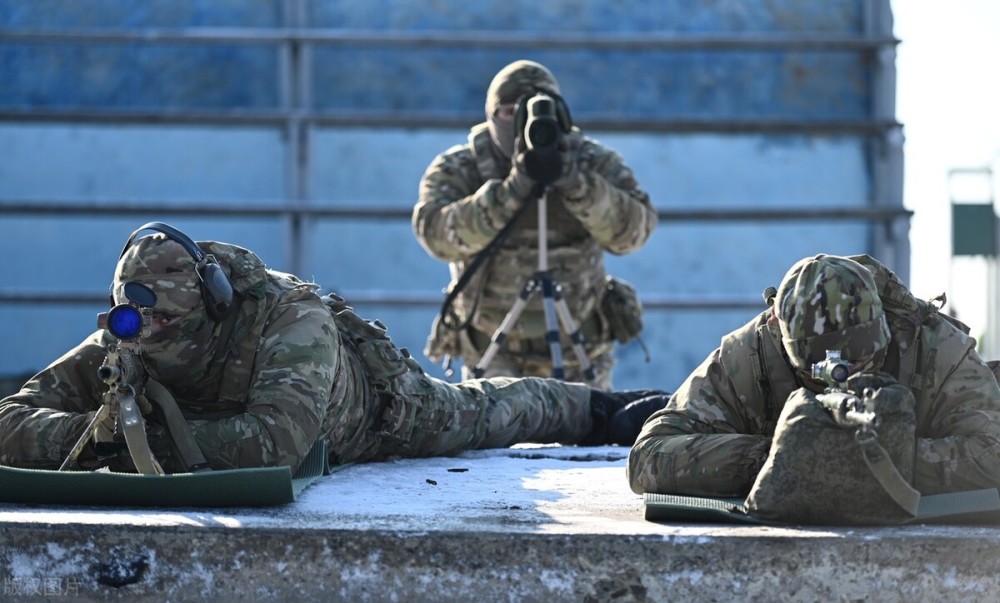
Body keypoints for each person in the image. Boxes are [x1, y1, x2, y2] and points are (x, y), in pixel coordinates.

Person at [0, 223, 668, 474]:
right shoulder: (132, 334)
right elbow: (9, 420)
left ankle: (598, 407)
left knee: (486, 412)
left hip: (375, 408)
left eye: (175, 328)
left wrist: (118, 440)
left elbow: (280, 442)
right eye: (137, 326)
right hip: (230, 422)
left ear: (212, 300)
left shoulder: (290, 319)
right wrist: (114, 437)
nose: (153, 343)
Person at [628, 253, 1000, 500]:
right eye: (821, 367)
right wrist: (777, 458)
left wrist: (884, 461)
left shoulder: (934, 347)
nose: (846, 375)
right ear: (779, 330)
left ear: (886, 325)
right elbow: (649, 457)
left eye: (864, 358)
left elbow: (993, 451)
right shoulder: (750, 355)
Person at [412, 59, 657, 389]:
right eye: (510, 111)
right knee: (496, 434)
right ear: (491, 114)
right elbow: (435, 235)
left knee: (589, 436)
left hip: (578, 351)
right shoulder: (462, 168)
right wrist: (509, 193)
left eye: (536, 109)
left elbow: (633, 233)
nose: (523, 122)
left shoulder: (591, 162)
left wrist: (578, 185)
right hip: (493, 353)